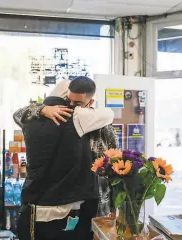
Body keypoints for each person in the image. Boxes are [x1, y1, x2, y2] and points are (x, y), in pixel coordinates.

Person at [14, 77, 115, 240]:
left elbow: (17, 114)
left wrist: (41, 109)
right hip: (82, 202)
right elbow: (111, 164)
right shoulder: (79, 116)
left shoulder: (29, 119)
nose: (72, 105)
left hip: (35, 204)